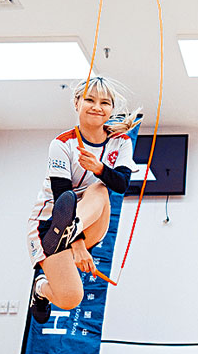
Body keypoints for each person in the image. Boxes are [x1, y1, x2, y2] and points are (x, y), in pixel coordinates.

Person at [26, 76, 140, 323]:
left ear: (112, 108)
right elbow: (61, 196)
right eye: (90, 99)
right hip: (49, 227)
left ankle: (71, 230)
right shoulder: (62, 143)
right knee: (70, 299)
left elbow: (120, 184)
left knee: (101, 187)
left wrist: (99, 168)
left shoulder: (121, 142)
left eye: (105, 102)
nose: (97, 107)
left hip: (89, 221)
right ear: (77, 103)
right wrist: (75, 246)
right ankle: (41, 289)